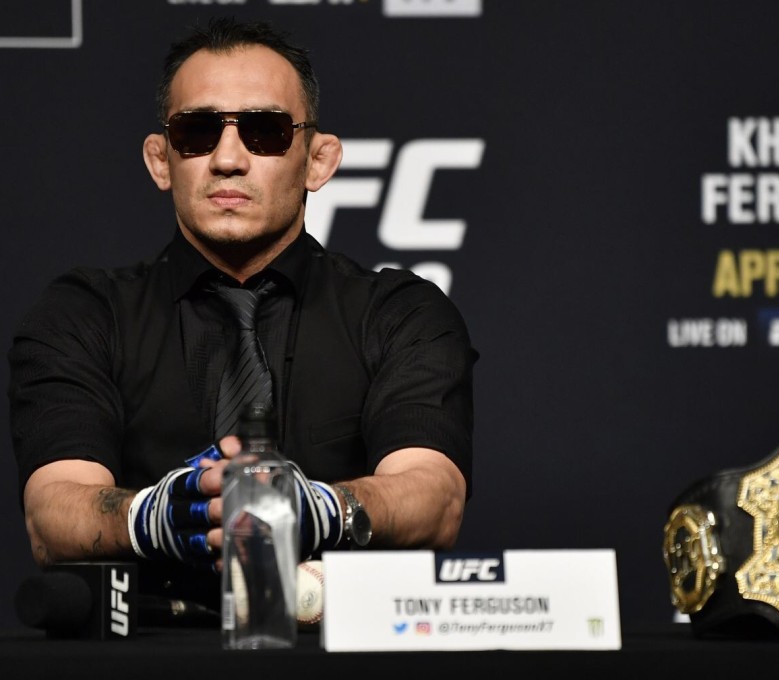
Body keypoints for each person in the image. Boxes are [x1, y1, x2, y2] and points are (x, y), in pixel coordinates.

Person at [7, 16, 477, 614]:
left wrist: (320, 510)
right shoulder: (83, 314)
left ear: (319, 159)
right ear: (160, 158)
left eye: (265, 131)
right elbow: (52, 515)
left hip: (337, 656)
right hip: (141, 660)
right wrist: (155, 516)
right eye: (197, 132)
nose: (228, 158)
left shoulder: (401, 313)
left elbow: (435, 501)